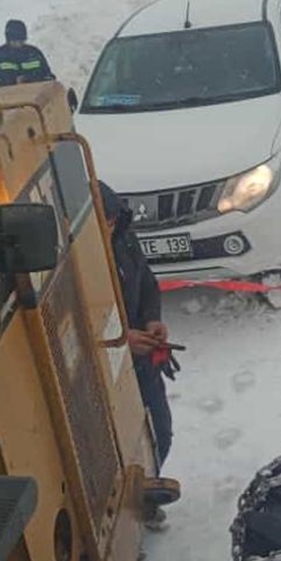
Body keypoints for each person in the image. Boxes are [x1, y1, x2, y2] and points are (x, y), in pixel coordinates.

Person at [98, 182, 174, 528]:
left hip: (140, 358)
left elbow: (145, 281)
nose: (110, 228)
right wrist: (117, 338)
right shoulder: (68, 257)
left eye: (113, 221)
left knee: (160, 430)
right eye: (105, 222)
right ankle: (117, 524)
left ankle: (143, 494)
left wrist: (152, 318)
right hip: (99, 371)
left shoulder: (124, 237)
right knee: (109, 450)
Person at [0, 19, 55, 88]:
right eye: (14, 41)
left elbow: (49, 78)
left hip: (36, 96)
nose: (18, 44)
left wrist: (30, 80)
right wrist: (13, 82)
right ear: (8, 40)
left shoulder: (35, 53)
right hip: (8, 97)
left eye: (21, 41)